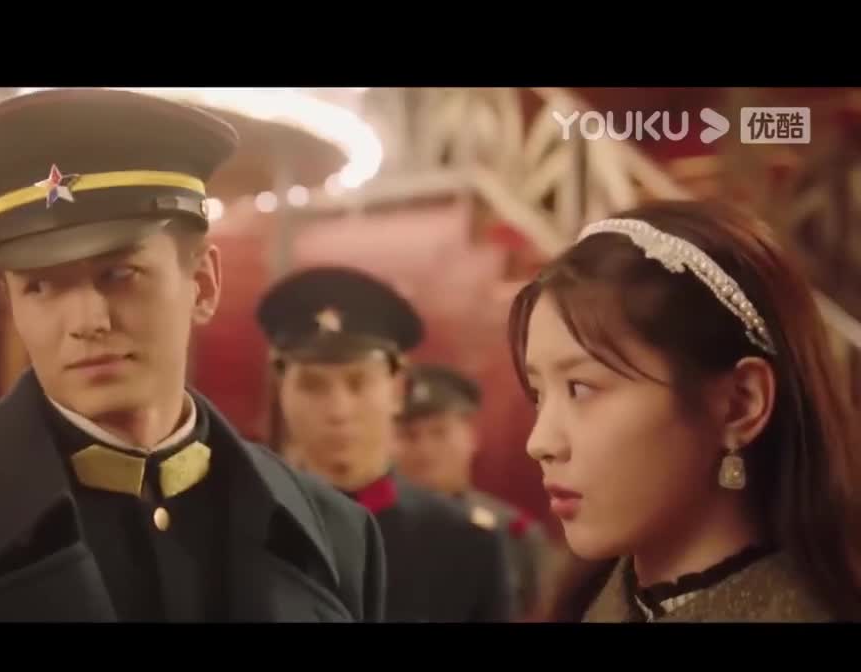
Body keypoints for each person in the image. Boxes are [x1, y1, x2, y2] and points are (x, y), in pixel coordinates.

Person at [0, 88, 386, 623]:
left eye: (119, 274)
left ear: (202, 284)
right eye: (40, 287)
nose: (87, 322)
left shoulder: (335, 535)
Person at [510, 199, 861, 622]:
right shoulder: (583, 603)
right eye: (538, 394)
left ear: (741, 404)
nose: (540, 443)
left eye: (581, 388)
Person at [257, 265, 514, 622]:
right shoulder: (245, 532)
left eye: (358, 383)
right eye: (313, 385)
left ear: (397, 390)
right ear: (282, 392)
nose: (338, 410)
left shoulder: (464, 546)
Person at [395, 363, 558, 620]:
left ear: (472, 436)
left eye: (439, 432)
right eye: (409, 435)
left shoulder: (515, 533)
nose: (425, 449)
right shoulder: (369, 525)